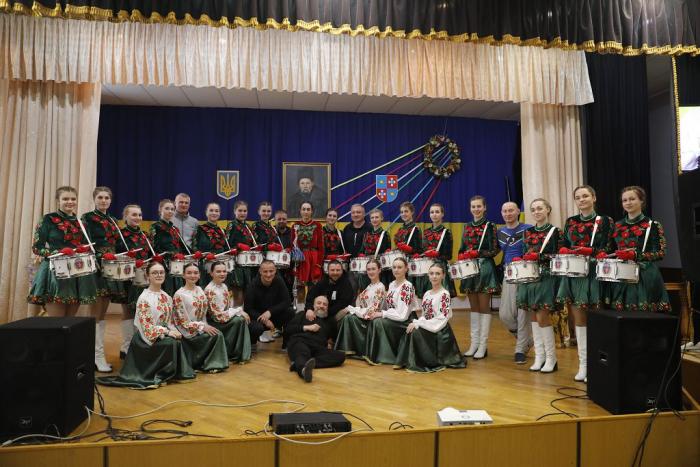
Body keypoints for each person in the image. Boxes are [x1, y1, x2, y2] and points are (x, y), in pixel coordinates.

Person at [96, 262, 195, 389]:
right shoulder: (144, 298)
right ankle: (157, 374)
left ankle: (171, 373)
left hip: (160, 334)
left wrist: (174, 331)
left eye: (161, 272)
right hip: (146, 339)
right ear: (147, 276)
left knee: (179, 340)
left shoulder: (166, 297)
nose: (159, 275)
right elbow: (147, 328)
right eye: (154, 273)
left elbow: (169, 322)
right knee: (171, 342)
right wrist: (168, 332)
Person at [556, 185, 614, 381]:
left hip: (595, 272)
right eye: (578, 197)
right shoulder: (571, 221)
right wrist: (564, 249)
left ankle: (598, 365)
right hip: (574, 272)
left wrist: (592, 252)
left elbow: (609, 246)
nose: (581, 200)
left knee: (597, 317)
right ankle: (584, 365)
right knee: (579, 319)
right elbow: (564, 243)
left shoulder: (605, 221)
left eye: (585, 196)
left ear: (594, 198)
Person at [28, 186, 98, 316]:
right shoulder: (48, 219)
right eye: (65, 199)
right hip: (55, 272)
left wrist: (83, 249)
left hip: (77, 273)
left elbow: (87, 246)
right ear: (58, 201)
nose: (70, 202)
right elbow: (37, 247)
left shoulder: (82, 223)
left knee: (69, 322)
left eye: (73, 199)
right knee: (57, 321)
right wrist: (57, 252)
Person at [82, 186, 128, 372]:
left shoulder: (113, 220)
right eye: (100, 197)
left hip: (111, 266)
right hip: (97, 266)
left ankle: (97, 356)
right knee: (95, 312)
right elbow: (85, 242)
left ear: (110, 200)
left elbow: (117, 244)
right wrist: (100, 257)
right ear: (94, 199)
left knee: (103, 313)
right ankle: (95, 356)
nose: (103, 200)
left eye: (106, 198)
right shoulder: (87, 218)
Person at [515, 198, 564, 373]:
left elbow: (560, 256)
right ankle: (540, 356)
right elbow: (524, 253)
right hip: (529, 277)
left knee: (543, 317)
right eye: (533, 209)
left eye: (540, 208)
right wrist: (521, 259)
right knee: (533, 317)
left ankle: (551, 358)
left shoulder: (556, 232)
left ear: (548, 210)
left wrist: (540, 257)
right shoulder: (527, 232)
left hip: (546, 277)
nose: (536, 212)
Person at [394, 262, 466, 373]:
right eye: (431, 273)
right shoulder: (427, 293)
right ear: (428, 275)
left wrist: (420, 324)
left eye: (437, 273)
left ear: (443, 276)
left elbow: (441, 319)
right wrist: (417, 322)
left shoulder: (444, 294)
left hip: (440, 331)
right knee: (410, 329)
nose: (434, 276)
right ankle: (406, 361)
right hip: (429, 326)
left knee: (416, 332)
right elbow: (425, 315)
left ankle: (423, 362)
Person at [608, 186, 670, 312]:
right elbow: (611, 250)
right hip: (621, 275)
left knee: (644, 318)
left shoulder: (653, 225)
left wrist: (636, 255)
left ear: (641, 200)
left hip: (645, 275)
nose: (628, 203)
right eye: (624, 200)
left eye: (632, 199)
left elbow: (661, 253)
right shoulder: (617, 225)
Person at [459, 196, 501, 360]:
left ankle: (483, 345)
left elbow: (495, 249)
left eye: (478, 206)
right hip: (469, 269)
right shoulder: (466, 226)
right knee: (474, 308)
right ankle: (474, 344)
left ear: (484, 208)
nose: (476, 209)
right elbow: (462, 248)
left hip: (484, 269)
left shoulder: (490, 226)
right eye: (473, 207)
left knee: (484, 307)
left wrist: (478, 253)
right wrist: (463, 257)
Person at [172, 263, 229, 372]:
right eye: (189, 273)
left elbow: (203, 315)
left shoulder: (199, 290)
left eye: (195, 273)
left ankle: (213, 364)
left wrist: (204, 326)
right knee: (217, 335)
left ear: (199, 275)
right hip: (187, 331)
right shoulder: (179, 295)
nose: (193, 275)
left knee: (217, 334)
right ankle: (209, 364)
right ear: (183, 275)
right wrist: (202, 327)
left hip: (200, 327)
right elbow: (183, 322)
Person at [497, 202, 533, 364]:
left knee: (522, 313)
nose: (508, 213)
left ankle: (520, 349)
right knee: (505, 315)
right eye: (505, 211)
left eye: (511, 210)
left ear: (518, 211)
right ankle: (526, 341)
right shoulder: (499, 232)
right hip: (509, 273)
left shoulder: (528, 229)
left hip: (525, 273)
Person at [365, 257, 419, 365]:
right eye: (394, 267)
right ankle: (375, 355)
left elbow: (402, 315)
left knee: (378, 322)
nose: (396, 270)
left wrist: (382, 314)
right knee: (374, 319)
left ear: (406, 269)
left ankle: (385, 357)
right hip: (394, 317)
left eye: (399, 267)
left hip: (405, 321)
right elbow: (389, 306)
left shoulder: (407, 287)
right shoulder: (392, 284)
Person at [117, 204, 153, 360]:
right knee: (128, 311)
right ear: (125, 216)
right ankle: (126, 347)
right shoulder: (120, 234)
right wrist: (130, 260)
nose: (137, 217)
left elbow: (149, 254)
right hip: (127, 277)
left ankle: (139, 344)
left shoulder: (145, 235)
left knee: (142, 310)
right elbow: (116, 255)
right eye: (134, 214)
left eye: (139, 214)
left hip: (143, 277)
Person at [285, 295, 346, 382]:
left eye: (325, 304)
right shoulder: (302, 314)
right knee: (302, 352)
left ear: (327, 307)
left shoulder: (331, 321)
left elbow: (334, 337)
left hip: (318, 348)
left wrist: (330, 343)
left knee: (340, 356)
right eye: (319, 303)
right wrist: (307, 327)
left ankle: (299, 364)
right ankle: (303, 370)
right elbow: (288, 329)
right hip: (300, 341)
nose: (321, 306)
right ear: (313, 306)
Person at [335, 259, 386, 358]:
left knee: (348, 317)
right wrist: (353, 309)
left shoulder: (380, 287)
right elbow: (360, 305)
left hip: (372, 320)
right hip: (364, 316)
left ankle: (350, 349)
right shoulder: (369, 287)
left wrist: (353, 310)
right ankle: (347, 349)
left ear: (379, 270)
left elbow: (372, 311)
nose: (371, 272)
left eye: (373, 269)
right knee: (347, 317)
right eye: (368, 269)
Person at [204, 262, 252, 362]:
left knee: (240, 319)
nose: (222, 274)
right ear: (211, 273)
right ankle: (233, 353)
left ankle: (239, 353)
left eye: (224, 271)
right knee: (239, 320)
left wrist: (238, 312)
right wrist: (239, 311)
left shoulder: (224, 286)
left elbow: (228, 307)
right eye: (218, 271)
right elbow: (217, 316)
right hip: (215, 322)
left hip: (223, 318)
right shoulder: (210, 290)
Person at [243, 260, 295, 346]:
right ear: (260, 271)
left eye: (271, 271)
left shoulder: (279, 281)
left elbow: (287, 301)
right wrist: (264, 320)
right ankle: (252, 345)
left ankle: (287, 345)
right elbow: (248, 309)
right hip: (257, 318)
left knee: (290, 312)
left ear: (275, 271)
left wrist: (270, 312)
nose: (268, 274)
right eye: (265, 271)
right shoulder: (252, 285)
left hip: (273, 315)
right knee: (256, 328)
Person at [304, 260, 355, 338]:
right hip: (321, 309)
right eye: (332, 270)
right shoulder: (323, 281)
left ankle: (331, 339)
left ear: (342, 271)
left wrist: (326, 312)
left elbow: (343, 303)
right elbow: (310, 296)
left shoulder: (346, 284)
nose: (335, 273)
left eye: (338, 270)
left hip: (335, 312)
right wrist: (309, 309)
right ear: (328, 271)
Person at [149, 199, 188, 296]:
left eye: (172, 209)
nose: (170, 211)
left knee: (178, 291)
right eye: (167, 208)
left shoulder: (174, 229)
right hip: (163, 263)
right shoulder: (155, 226)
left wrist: (194, 254)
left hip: (176, 264)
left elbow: (182, 246)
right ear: (160, 210)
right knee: (167, 291)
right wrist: (168, 255)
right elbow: (153, 246)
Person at [418, 203, 455, 297]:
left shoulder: (446, 232)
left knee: (441, 297)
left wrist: (436, 255)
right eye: (432, 212)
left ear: (442, 214)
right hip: (427, 268)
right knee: (428, 297)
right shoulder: (426, 232)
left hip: (440, 268)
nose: (434, 214)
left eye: (437, 212)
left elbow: (449, 255)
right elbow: (422, 251)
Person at [226, 200, 259, 304]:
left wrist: (256, 247)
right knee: (238, 292)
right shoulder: (231, 225)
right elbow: (227, 246)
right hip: (237, 265)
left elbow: (252, 244)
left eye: (245, 211)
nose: (242, 213)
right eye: (240, 210)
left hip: (249, 265)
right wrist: (238, 246)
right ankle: (237, 312)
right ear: (234, 211)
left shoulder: (248, 226)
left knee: (248, 293)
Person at [291, 201, 324, 303]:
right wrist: (294, 262)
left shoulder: (318, 225)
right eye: (304, 209)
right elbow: (292, 245)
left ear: (312, 211)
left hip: (314, 258)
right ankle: (300, 308)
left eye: (308, 209)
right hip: (300, 259)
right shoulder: (295, 226)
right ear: (300, 211)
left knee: (313, 287)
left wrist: (318, 265)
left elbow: (321, 247)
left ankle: (311, 308)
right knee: (300, 285)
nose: (306, 212)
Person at [192, 202, 231, 287]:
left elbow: (227, 249)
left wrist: (231, 252)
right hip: (206, 268)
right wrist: (202, 255)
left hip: (221, 268)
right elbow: (194, 247)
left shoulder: (223, 231)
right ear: (206, 212)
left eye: (216, 211)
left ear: (219, 213)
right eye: (211, 210)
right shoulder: (199, 229)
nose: (214, 213)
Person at [358, 208, 392, 289]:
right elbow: (362, 250)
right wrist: (361, 254)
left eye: (377, 217)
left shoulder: (385, 234)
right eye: (372, 217)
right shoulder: (366, 234)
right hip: (367, 267)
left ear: (381, 218)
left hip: (380, 269)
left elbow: (387, 253)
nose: (374, 219)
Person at [394, 202, 423, 291]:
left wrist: (410, 249)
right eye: (402, 212)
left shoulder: (416, 229)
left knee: (409, 289)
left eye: (406, 211)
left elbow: (419, 250)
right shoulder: (400, 229)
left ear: (412, 212)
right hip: (400, 263)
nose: (403, 214)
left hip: (410, 264)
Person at [274, 209, 295, 302]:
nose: (281, 221)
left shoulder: (293, 233)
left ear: (287, 220)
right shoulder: (271, 232)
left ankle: (289, 306)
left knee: (289, 291)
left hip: (289, 268)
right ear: (275, 220)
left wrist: (291, 250)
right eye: (279, 219)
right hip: (274, 268)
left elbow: (298, 248)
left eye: (284, 219)